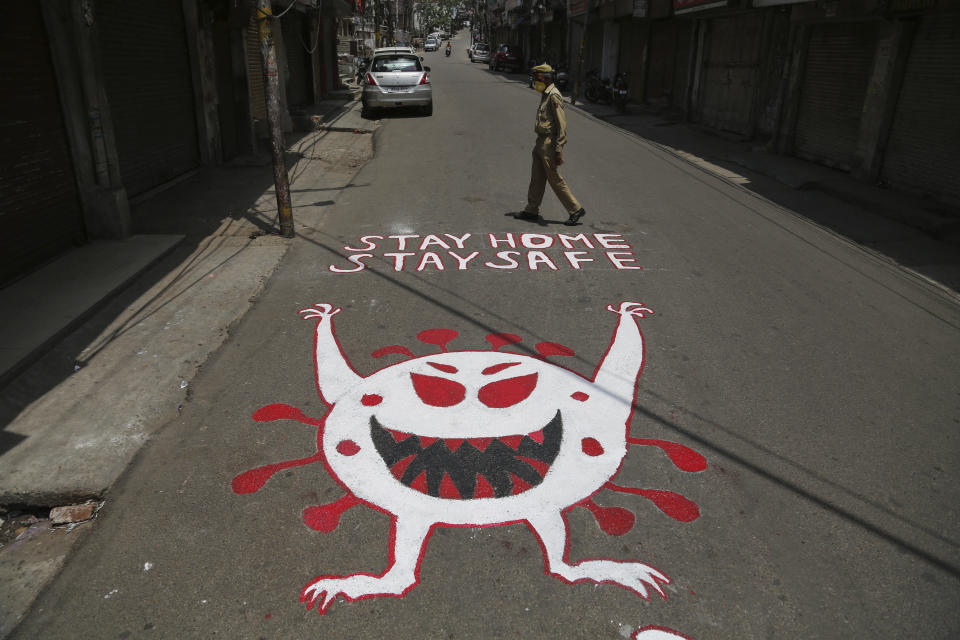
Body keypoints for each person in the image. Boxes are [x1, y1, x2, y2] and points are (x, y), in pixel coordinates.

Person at [517, 63, 586, 225]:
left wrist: (558, 149)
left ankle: (575, 208)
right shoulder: (545, 93)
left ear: (546, 78)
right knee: (537, 178)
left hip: (549, 142)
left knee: (554, 178)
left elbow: (562, 125)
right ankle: (531, 209)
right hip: (540, 141)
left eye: (537, 76)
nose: (535, 79)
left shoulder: (554, 96)